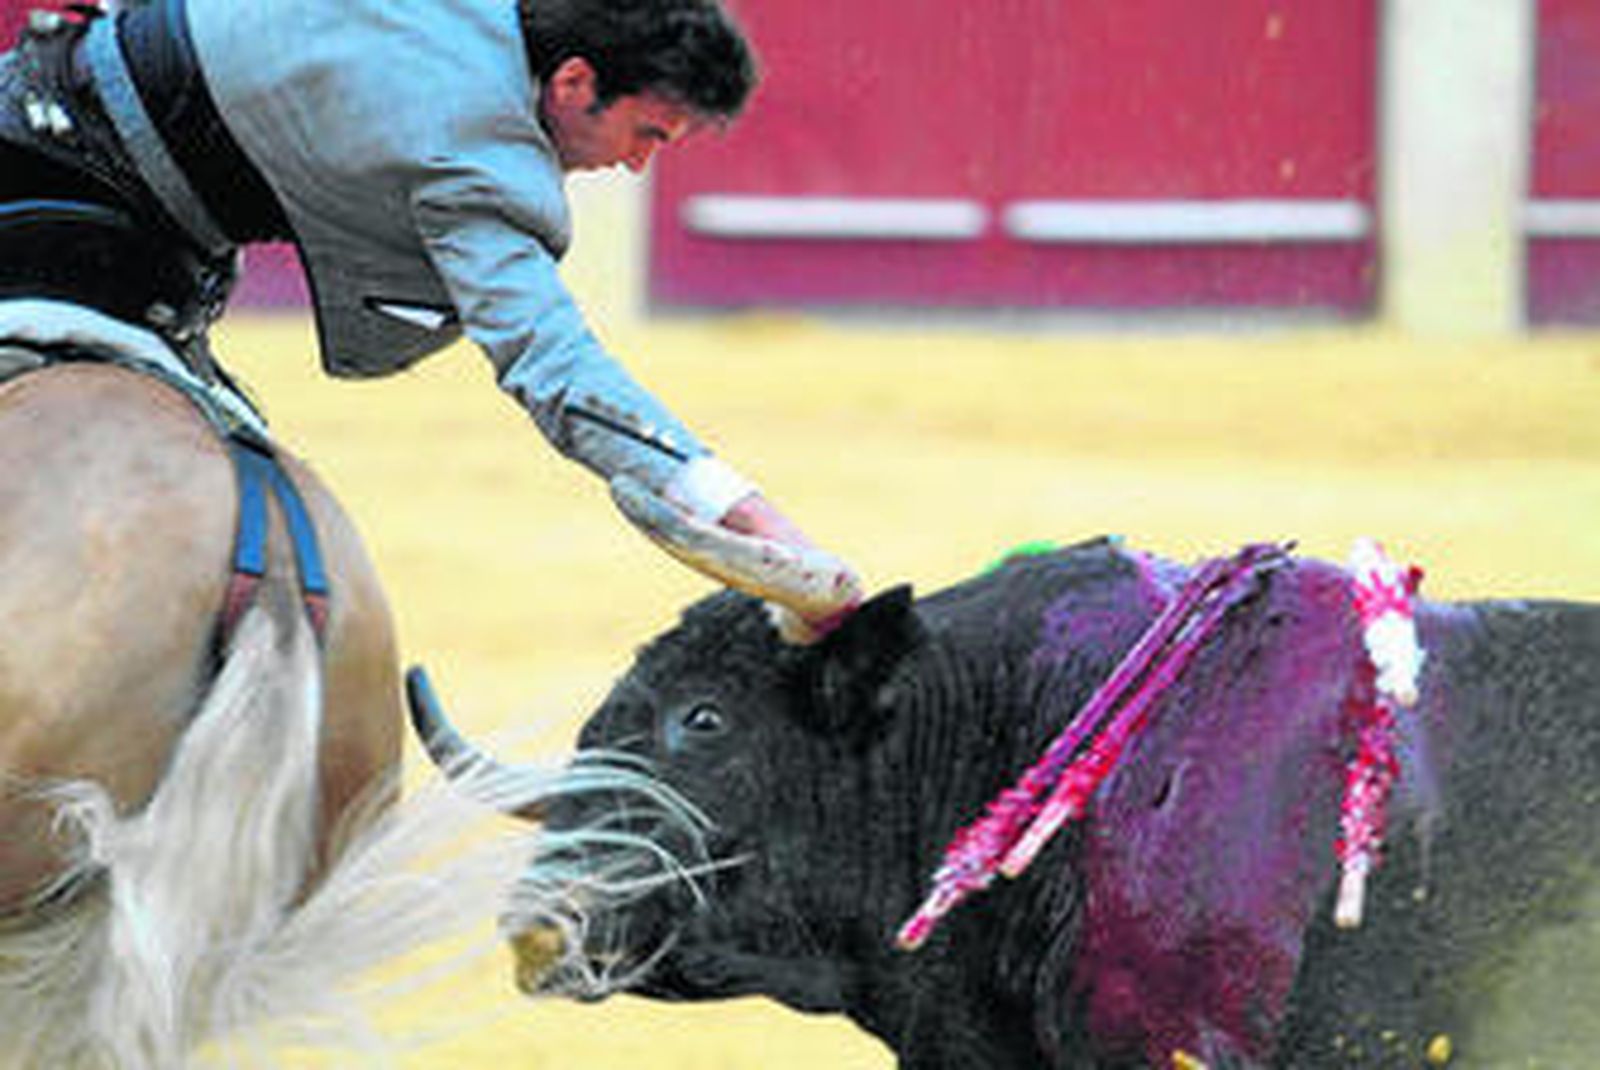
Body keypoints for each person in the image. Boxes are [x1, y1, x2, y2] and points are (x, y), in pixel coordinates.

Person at [0, 0, 861, 636]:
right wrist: (752, 518)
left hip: (112, 186)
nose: (637, 168)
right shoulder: (475, 154)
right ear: (573, 83)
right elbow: (555, 369)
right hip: (62, 193)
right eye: (647, 135)